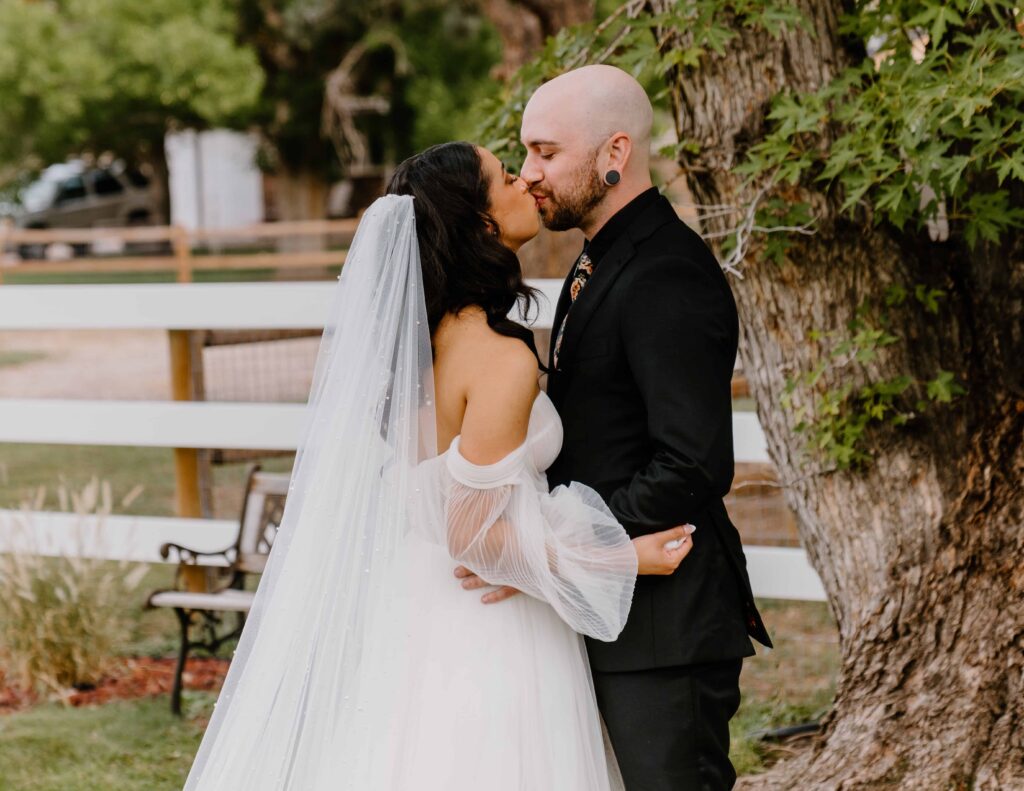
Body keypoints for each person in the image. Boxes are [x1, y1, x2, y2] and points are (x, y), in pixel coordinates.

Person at [181, 141, 695, 791]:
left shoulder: (418, 347)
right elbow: (471, 534)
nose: (524, 180)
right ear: (482, 222)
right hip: (486, 623)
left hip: (417, 602)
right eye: (506, 176)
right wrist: (625, 558)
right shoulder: (498, 360)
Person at [462, 64, 774, 790]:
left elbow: (692, 463)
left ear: (615, 153)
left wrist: (561, 548)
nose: (530, 173)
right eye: (526, 153)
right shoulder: (599, 256)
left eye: (546, 151)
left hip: (666, 626)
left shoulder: (666, 270)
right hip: (614, 611)